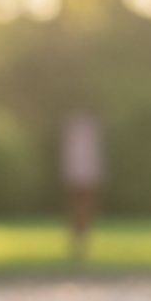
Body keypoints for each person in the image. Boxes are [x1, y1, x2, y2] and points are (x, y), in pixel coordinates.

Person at [60, 109, 104, 261]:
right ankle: (77, 242)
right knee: (77, 209)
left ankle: (83, 241)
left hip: (85, 175)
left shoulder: (88, 130)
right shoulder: (75, 130)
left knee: (84, 209)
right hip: (77, 175)